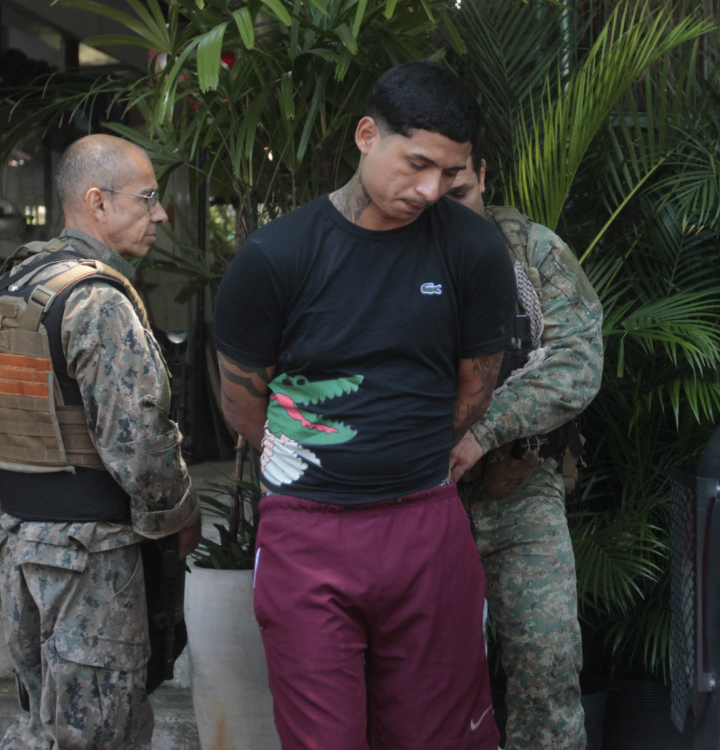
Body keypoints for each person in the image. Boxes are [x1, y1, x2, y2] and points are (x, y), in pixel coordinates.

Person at [212, 60, 516, 749]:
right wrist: (321, 460)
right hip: (307, 532)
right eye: (416, 164)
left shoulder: (473, 249)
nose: (431, 189)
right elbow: (243, 403)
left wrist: (401, 454)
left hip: (425, 523)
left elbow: (475, 388)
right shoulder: (275, 256)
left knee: (440, 738)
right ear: (366, 135)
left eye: (450, 172)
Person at [0, 134, 201, 750]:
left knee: (44, 730)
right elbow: (140, 447)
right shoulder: (99, 300)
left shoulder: (12, 285)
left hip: (18, 547)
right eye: (148, 199)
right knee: (97, 733)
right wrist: (179, 515)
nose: (160, 214)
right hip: (92, 557)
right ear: (98, 202)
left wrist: (46, 445)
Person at [446, 150, 604, 750]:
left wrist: (485, 431)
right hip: (420, 499)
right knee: (428, 685)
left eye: (459, 192)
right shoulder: (390, 250)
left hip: (519, 488)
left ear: (484, 175)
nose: (447, 210)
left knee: (548, 663)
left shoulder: (531, 252)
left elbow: (578, 363)